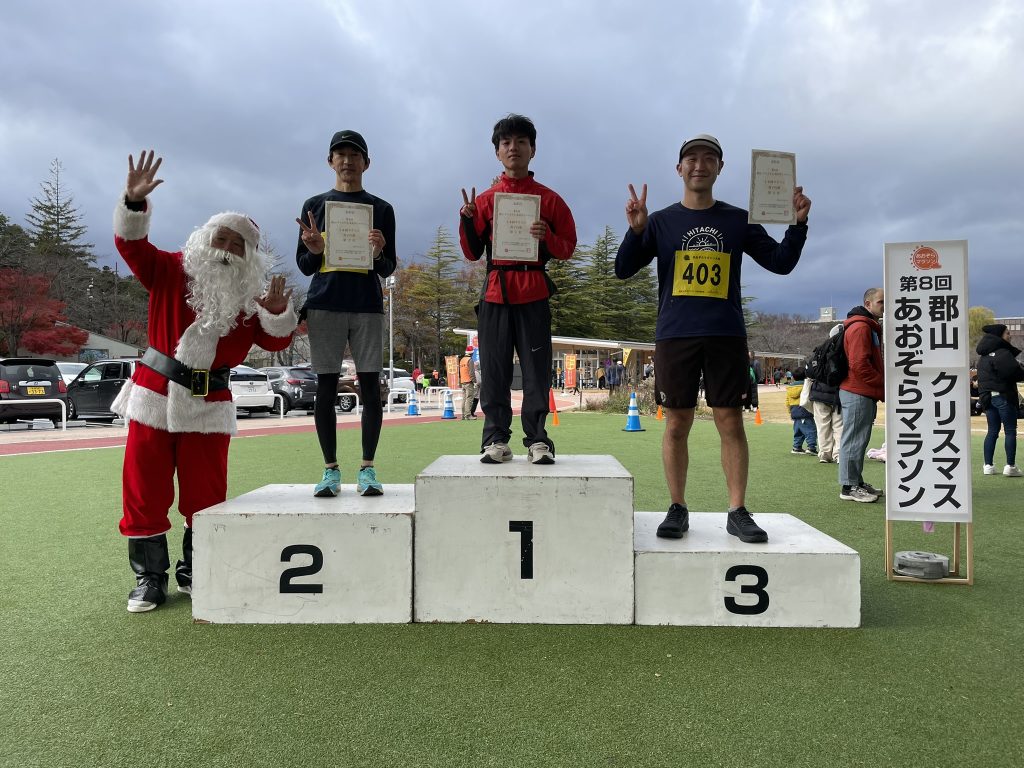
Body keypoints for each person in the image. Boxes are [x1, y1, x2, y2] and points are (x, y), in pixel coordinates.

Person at [112, 150, 297, 613]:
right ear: (205, 238)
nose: (227, 248)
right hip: (154, 397)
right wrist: (133, 204)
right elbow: (131, 246)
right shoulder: (169, 269)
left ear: (249, 257)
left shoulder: (251, 300)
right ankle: (149, 577)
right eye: (222, 237)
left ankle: (198, 567)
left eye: (238, 244)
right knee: (143, 490)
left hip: (210, 402)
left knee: (207, 495)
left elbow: (275, 342)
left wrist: (278, 315)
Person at [616, 133, 811, 543]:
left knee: (730, 421)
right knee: (676, 423)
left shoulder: (739, 220)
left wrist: (798, 225)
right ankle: (677, 507)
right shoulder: (661, 222)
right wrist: (636, 231)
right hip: (676, 334)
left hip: (725, 333)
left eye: (709, 158)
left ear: (720, 168)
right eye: (691, 158)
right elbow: (623, 269)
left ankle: (737, 510)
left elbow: (781, 263)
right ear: (679, 168)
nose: (699, 165)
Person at [459, 113, 577, 465]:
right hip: (495, 292)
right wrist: (467, 220)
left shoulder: (549, 200)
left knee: (536, 371)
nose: (514, 148)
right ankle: (495, 439)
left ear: (532, 150)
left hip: (534, 291)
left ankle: (538, 440)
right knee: (494, 370)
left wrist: (547, 237)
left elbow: (567, 247)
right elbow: (472, 252)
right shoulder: (485, 201)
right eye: (506, 143)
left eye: (521, 142)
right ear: (497, 152)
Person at [296, 130, 397, 499]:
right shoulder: (315, 205)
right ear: (330, 161)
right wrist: (315, 250)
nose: (347, 161)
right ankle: (330, 470)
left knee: (370, 387)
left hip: (367, 305)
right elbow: (304, 265)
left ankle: (368, 468)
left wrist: (378, 253)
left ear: (366, 163)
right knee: (326, 387)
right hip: (324, 304)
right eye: (340, 154)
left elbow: (388, 267)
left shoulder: (381, 209)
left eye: (355, 155)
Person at [837, 288, 885, 502]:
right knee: (854, 440)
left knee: (859, 439)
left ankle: (855, 481)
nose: (885, 306)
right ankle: (849, 487)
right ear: (868, 303)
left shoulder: (867, 326)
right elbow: (859, 365)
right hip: (857, 391)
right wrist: (883, 383)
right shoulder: (861, 327)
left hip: (861, 391)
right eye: (881, 302)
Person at [976, 323, 1024, 476]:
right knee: (1010, 431)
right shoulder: (1002, 352)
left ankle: (988, 466)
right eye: (1007, 333)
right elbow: (1016, 373)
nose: (1010, 335)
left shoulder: (983, 357)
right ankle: (1010, 467)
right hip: (1003, 397)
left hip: (987, 398)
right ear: (1000, 335)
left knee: (992, 431)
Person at [809, 323, 844, 463]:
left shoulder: (821, 349)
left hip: (819, 392)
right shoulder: (845, 350)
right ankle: (839, 454)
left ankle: (824, 453)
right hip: (838, 394)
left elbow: (810, 372)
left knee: (822, 425)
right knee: (839, 426)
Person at [786, 369, 818, 455]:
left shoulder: (789, 388)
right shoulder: (806, 386)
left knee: (798, 430)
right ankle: (811, 447)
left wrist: (790, 411)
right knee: (811, 429)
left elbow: (787, 401)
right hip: (805, 410)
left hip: (794, 411)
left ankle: (797, 447)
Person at [459, 345, 479, 420]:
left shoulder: (462, 360)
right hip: (469, 381)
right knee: (469, 398)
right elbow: (471, 373)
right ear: (472, 353)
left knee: (464, 399)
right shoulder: (470, 360)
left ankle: (463, 415)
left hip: (463, 381)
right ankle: (468, 415)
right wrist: (475, 382)